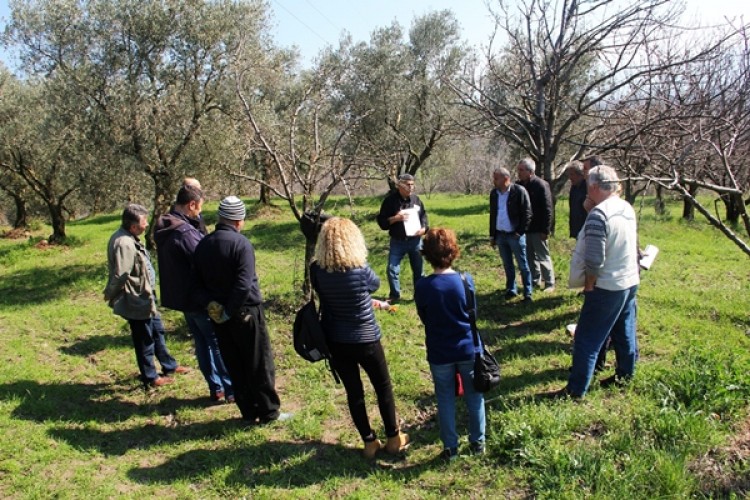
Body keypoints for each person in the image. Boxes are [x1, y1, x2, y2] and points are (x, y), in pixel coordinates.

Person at [311, 217, 409, 459]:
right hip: (366, 338)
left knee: (354, 393)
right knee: (382, 387)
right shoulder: (360, 269)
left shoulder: (316, 270)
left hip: (335, 339)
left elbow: (320, 290)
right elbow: (374, 285)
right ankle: (394, 437)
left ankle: (369, 441)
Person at [192, 196, 289, 424]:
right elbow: (244, 283)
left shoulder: (203, 244)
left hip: (217, 315)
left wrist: (213, 307)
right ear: (238, 220)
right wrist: (231, 309)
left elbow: (195, 283)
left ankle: (247, 411)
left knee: (233, 362)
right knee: (258, 362)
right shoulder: (241, 244)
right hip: (245, 311)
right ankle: (268, 412)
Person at [549, 165, 640, 398]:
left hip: (607, 285)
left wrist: (589, 285)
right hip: (629, 280)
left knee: (586, 339)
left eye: (589, 185)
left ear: (596, 186)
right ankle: (625, 375)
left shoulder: (599, 216)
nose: (586, 190)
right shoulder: (625, 207)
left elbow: (594, 259)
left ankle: (576, 389)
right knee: (624, 332)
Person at [154, 185, 234, 403]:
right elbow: (206, 258)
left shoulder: (166, 225)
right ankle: (230, 389)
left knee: (202, 343)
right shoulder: (185, 233)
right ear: (191, 204)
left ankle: (215, 388)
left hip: (183, 298)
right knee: (216, 343)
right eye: (199, 208)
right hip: (200, 298)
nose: (200, 212)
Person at [414, 228, 486, 461]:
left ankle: (451, 448)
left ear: (427, 254)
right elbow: (473, 312)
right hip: (468, 347)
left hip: (439, 350)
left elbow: (424, 316)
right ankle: (478, 443)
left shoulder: (423, 286)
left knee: (444, 399)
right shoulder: (466, 281)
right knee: (474, 396)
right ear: (453, 251)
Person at [104, 204, 189, 389]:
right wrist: (110, 294)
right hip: (136, 298)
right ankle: (150, 377)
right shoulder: (124, 243)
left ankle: (169, 366)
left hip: (146, 296)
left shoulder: (130, 238)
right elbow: (121, 274)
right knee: (144, 338)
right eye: (143, 222)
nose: (146, 225)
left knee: (157, 331)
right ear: (133, 226)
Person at [376, 174, 428, 303]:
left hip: (415, 241)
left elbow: (424, 218)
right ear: (399, 186)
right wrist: (395, 219)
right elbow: (382, 222)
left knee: (419, 271)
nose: (411, 187)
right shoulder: (390, 201)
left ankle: (419, 296)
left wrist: (424, 229)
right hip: (397, 242)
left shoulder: (416, 200)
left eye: (412, 184)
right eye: (407, 185)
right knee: (392, 269)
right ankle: (395, 295)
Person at [489, 167, 534, 302]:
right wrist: (492, 235)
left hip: (514, 234)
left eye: (496, 178)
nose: (494, 181)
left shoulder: (519, 191)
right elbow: (493, 214)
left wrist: (520, 232)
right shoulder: (494, 193)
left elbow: (527, 213)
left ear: (506, 178)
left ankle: (528, 292)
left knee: (523, 264)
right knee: (507, 264)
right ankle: (511, 289)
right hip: (501, 234)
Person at [516, 158, 555, 292]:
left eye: (521, 170)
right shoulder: (519, 185)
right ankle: (535, 280)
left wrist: (546, 229)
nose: (519, 173)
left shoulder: (541, 185)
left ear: (530, 171)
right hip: (525, 228)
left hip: (538, 228)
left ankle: (549, 283)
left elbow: (548, 209)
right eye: (518, 170)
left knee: (543, 256)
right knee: (530, 256)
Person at [566, 160, 587, 239]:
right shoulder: (574, 188)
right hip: (577, 229)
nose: (570, 177)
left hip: (585, 229)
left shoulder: (587, 187)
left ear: (580, 174)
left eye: (572, 174)